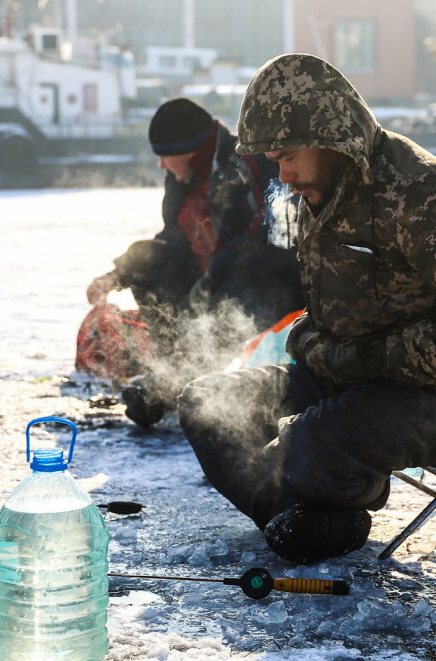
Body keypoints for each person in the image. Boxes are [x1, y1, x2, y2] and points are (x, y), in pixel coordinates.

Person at [177, 54, 436, 563]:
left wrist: (372, 360)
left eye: (289, 155)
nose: (284, 174)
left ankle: (328, 492)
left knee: (306, 445)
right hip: (337, 378)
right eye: (275, 160)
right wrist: (309, 341)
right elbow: (321, 310)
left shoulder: (432, 195)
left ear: (330, 138)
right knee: (205, 405)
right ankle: (303, 516)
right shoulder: (318, 192)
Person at [84, 97, 303, 425]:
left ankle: (174, 388)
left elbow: (275, 241)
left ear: (189, 151)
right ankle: (174, 369)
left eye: (164, 157)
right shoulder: (181, 178)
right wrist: (118, 274)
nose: (161, 166)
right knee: (147, 260)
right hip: (210, 275)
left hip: (266, 278)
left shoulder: (249, 163)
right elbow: (172, 239)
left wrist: (214, 274)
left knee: (235, 301)